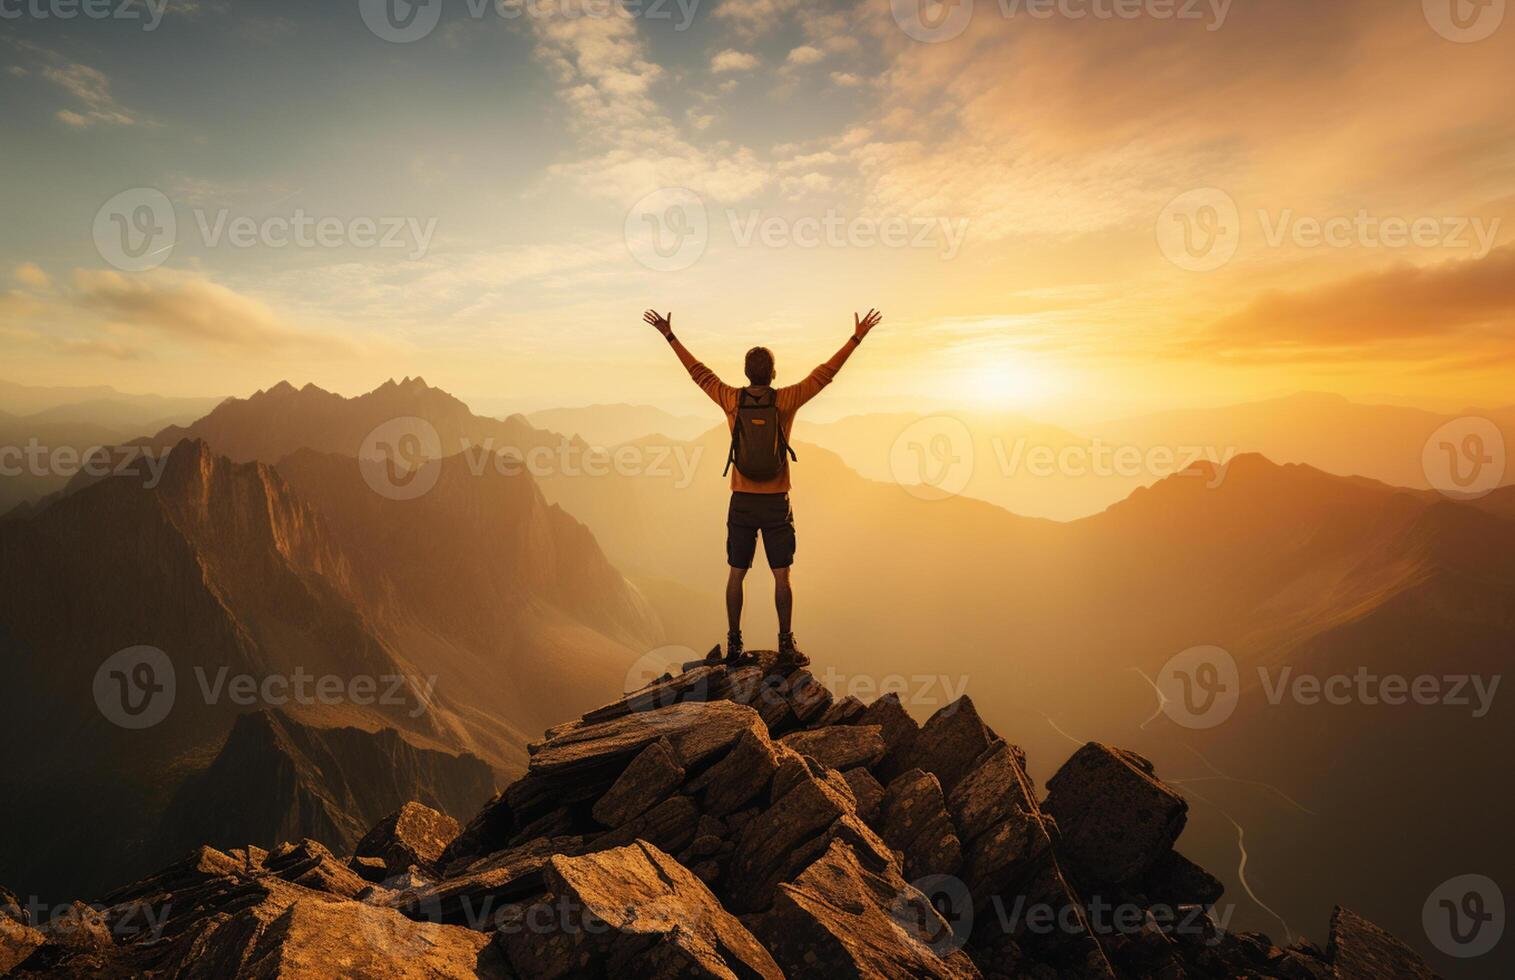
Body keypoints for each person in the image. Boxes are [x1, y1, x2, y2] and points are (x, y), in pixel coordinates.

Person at [642, 308, 883, 663]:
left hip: (741, 500)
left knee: (736, 574)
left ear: (745, 373)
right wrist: (857, 337)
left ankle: (734, 644)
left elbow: (699, 374)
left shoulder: (730, 399)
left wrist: (669, 335)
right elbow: (825, 375)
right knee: (781, 576)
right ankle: (786, 645)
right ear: (772, 374)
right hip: (775, 503)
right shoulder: (785, 400)